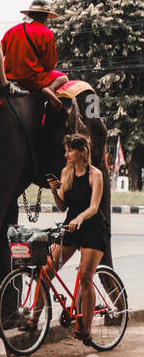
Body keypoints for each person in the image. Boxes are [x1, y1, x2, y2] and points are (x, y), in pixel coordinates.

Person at [48, 134, 108, 340]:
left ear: (82, 151)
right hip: (71, 225)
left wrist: (80, 218)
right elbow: (63, 206)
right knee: (47, 269)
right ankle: (31, 319)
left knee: (85, 277)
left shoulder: (95, 175)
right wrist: (55, 192)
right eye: (65, 150)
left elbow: (94, 207)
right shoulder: (66, 172)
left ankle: (87, 329)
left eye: (69, 150)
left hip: (92, 227)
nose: (65, 154)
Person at [2, 0, 70, 106]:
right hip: (32, 80)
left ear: (30, 15)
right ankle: (49, 89)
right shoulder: (47, 33)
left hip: (8, 77)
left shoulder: (12, 30)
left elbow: (0, 53)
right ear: (45, 16)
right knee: (63, 77)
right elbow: (49, 65)